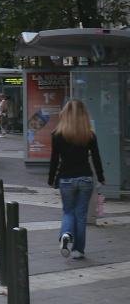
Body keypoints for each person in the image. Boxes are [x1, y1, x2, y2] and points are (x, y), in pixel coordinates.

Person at [47, 99, 105, 259]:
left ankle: (66, 234)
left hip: (66, 179)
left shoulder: (57, 135)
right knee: (81, 214)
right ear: (83, 115)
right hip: (85, 178)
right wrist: (100, 177)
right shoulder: (89, 135)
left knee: (68, 211)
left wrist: (51, 179)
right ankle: (78, 250)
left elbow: (54, 160)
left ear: (64, 115)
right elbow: (96, 158)